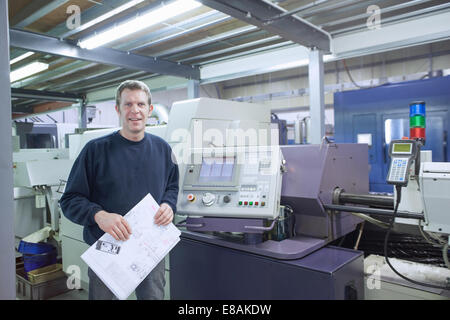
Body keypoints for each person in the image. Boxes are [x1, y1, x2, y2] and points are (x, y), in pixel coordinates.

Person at [60, 80, 179, 300]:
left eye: (141, 104)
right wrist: (99, 216)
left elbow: (172, 186)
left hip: (149, 251)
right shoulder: (95, 150)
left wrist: (168, 205)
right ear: (118, 109)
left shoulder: (163, 149)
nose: (135, 110)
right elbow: (69, 200)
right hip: (108, 250)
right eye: (128, 104)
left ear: (150, 110)